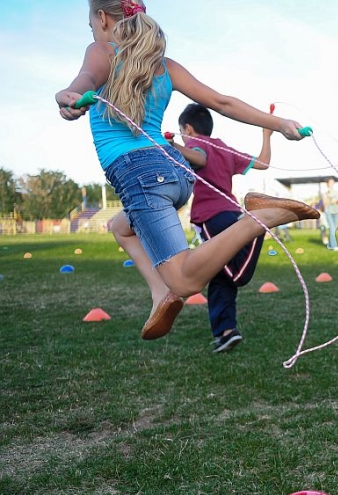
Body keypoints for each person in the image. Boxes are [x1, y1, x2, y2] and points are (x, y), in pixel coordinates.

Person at [55, 0, 317, 340]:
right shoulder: (164, 65)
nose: (91, 29)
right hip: (175, 173)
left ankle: (259, 217)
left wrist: (69, 93)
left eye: (91, 22)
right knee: (121, 227)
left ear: (102, 18)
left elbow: (86, 78)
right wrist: (279, 123)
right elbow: (222, 102)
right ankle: (159, 294)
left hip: (140, 174)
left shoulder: (101, 49)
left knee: (185, 279)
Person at [169, 103, 271, 352]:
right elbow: (263, 163)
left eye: (182, 132)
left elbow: (199, 158)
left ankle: (261, 219)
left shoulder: (198, 144)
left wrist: (173, 145)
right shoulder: (223, 147)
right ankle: (226, 332)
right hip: (231, 216)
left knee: (233, 273)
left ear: (188, 129)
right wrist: (266, 135)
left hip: (212, 218)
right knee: (219, 274)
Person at [322, 177, 338, 251]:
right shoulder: (325, 193)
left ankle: (330, 245)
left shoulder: (337, 192)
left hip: (336, 212)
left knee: (333, 229)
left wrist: (337, 201)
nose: (331, 184)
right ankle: (334, 246)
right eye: (330, 182)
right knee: (332, 228)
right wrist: (329, 199)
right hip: (328, 212)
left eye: (333, 182)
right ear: (327, 184)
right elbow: (325, 204)